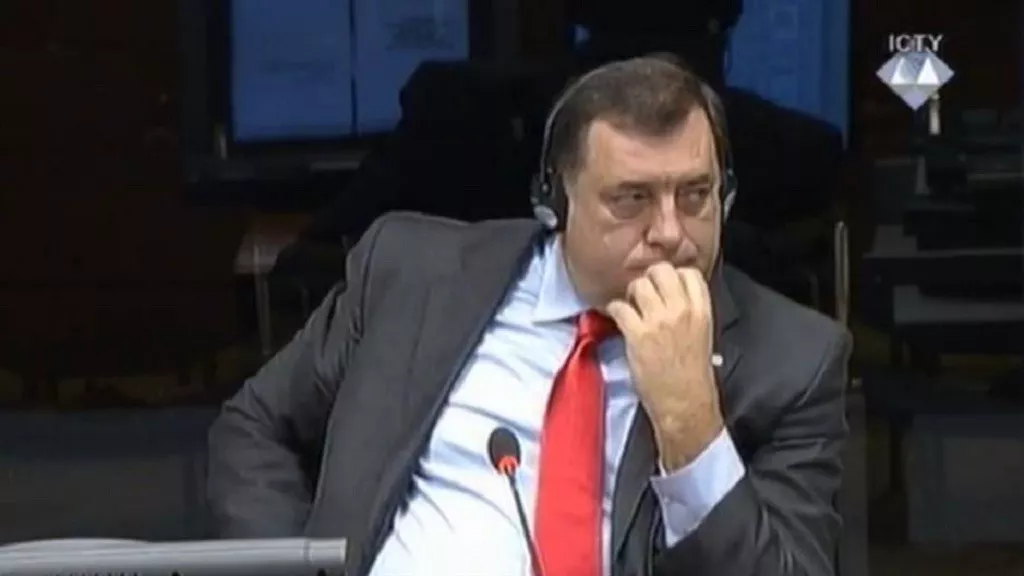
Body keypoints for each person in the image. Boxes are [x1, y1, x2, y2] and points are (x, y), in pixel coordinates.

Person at [207, 55, 851, 576]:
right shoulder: (412, 274)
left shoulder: (792, 362)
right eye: (631, 199)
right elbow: (257, 425)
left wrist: (692, 427)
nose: (670, 232)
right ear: (554, 200)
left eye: (695, 195)